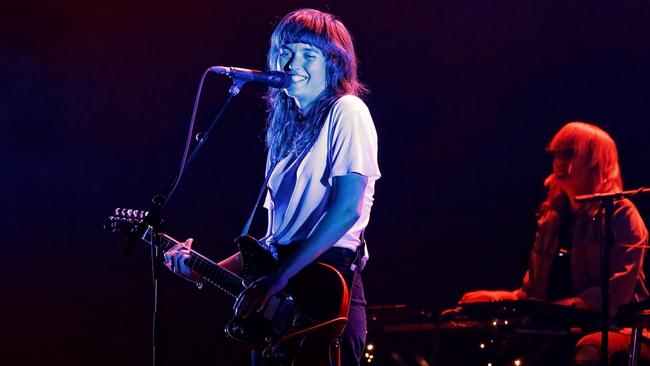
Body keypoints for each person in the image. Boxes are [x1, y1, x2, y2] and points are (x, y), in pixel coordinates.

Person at [165, 8, 380, 366]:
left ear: (334, 64)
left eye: (309, 54)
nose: (293, 62)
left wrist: (278, 279)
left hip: (324, 285)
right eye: (286, 52)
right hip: (282, 295)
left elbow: (346, 211)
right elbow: (273, 241)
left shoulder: (348, 111)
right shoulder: (282, 136)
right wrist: (203, 268)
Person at [459, 122, 649, 365]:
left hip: (617, 329)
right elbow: (531, 293)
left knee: (588, 352)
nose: (558, 160)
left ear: (594, 161)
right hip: (556, 328)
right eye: (556, 153)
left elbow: (615, 295)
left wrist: (553, 309)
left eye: (568, 153)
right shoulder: (551, 218)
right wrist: (499, 297)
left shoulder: (621, 214)